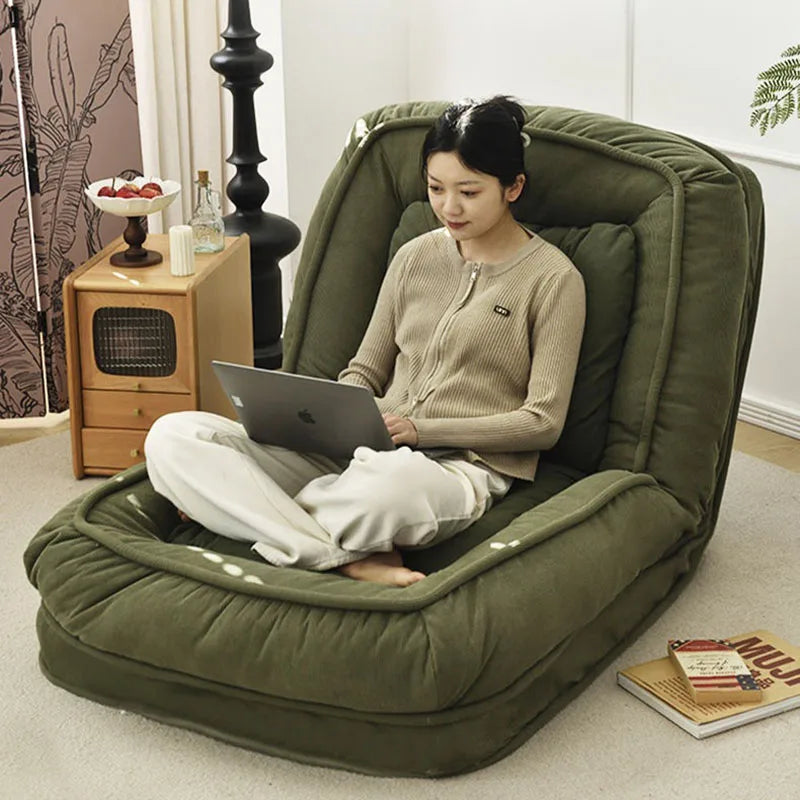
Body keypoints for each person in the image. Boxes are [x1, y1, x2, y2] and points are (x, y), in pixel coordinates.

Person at [144, 95, 586, 588]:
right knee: (173, 436)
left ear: (513, 187)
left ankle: (243, 510)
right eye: (435, 188)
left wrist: (420, 431)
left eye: (468, 192)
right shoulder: (414, 257)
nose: (448, 207)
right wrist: (330, 417)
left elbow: (542, 423)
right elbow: (365, 370)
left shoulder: (554, 280)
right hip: (358, 448)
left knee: (388, 489)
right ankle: (342, 554)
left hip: (453, 469)